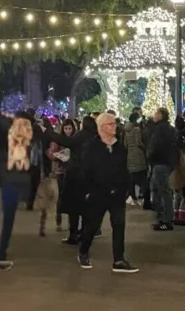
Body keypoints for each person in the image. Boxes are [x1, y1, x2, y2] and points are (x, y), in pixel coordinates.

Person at [77, 112, 138, 273]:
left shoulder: (119, 147)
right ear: (102, 127)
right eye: (111, 124)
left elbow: (124, 169)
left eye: (114, 123)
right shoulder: (92, 146)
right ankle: (83, 251)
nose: (115, 126)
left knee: (119, 225)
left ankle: (118, 260)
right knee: (92, 226)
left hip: (117, 194)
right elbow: (85, 170)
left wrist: (126, 189)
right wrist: (88, 191)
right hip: (98, 193)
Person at [0, 116, 33, 270]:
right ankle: (1, 250)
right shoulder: (18, 145)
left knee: (7, 217)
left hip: (10, 182)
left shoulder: (18, 145)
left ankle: (1, 250)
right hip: (12, 183)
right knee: (8, 218)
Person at [44, 115, 96, 245]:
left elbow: (65, 141)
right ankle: (84, 234)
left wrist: (47, 131)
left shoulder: (81, 136)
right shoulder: (95, 137)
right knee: (86, 209)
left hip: (76, 176)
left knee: (74, 208)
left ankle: (73, 235)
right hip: (90, 176)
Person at [146, 107, 177, 231]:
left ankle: (166, 220)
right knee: (164, 191)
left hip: (159, 163)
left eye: (156, 113)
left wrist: (149, 156)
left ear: (161, 115)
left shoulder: (159, 130)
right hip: (167, 163)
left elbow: (155, 146)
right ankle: (164, 218)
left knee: (163, 191)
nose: (154, 115)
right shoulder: (170, 129)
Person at [123, 112, 146, 206]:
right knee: (142, 176)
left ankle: (133, 196)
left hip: (130, 155)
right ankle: (141, 194)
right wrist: (144, 148)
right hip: (138, 155)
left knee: (131, 177)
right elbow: (138, 142)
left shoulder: (126, 129)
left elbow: (125, 144)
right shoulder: (137, 129)